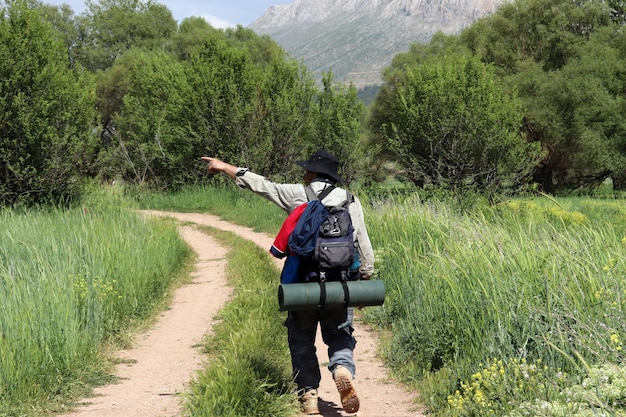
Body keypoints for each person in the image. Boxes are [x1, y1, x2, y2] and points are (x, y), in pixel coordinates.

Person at [201, 150, 374, 415]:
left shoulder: (299, 193)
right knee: (340, 334)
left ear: (315, 174)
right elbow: (363, 246)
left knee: (302, 338)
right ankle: (341, 368)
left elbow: (263, 186)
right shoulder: (350, 200)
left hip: (302, 286)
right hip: (340, 285)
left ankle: (308, 395)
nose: (303, 174)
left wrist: (224, 167)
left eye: (306, 170)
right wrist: (362, 283)